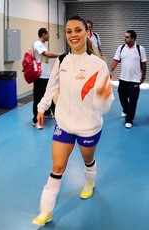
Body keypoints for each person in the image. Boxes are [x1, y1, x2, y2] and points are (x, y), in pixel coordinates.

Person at [32, 15, 114, 227]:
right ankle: (46, 210)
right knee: (57, 167)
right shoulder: (62, 60)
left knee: (88, 161)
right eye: (69, 31)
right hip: (64, 124)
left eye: (78, 30)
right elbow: (51, 87)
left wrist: (102, 98)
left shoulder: (98, 65)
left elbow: (105, 105)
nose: (73, 35)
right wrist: (42, 107)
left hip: (89, 127)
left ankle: (89, 182)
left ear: (87, 33)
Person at [109, 30, 147, 129]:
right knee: (122, 96)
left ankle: (129, 120)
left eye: (127, 37)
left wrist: (143, 77)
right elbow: (115, 61)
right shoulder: (121, 48)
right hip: (123, 79)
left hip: (135, 79)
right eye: (125, 36)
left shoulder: (140, 49)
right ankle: (126, 109)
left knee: (133, 100)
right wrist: (110, 70)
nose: (125, 38)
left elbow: (144, 64)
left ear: (133, 38)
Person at [32, 28, 59, 130]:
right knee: (38, 98)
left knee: (49, 96)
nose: (49, 36)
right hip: (40, 77)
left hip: (46, 76)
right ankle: (36, 120)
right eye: (48, 34)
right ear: (43, 34)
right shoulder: (37, 44)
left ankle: (47, 113)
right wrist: (59, 55)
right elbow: (47, 54)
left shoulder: (42, 45)